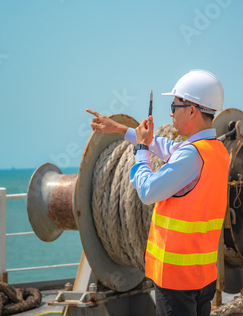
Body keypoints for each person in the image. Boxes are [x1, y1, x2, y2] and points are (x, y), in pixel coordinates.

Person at [86, 69, 230, 316]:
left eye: (175, 106)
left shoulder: (192, 155)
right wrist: (122, 129)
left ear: (193, 110)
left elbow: (148, 191)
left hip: (176, 280)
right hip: (202, 275)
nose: (171, 112)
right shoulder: (215, 151)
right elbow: (169, 148)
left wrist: (141, 148)